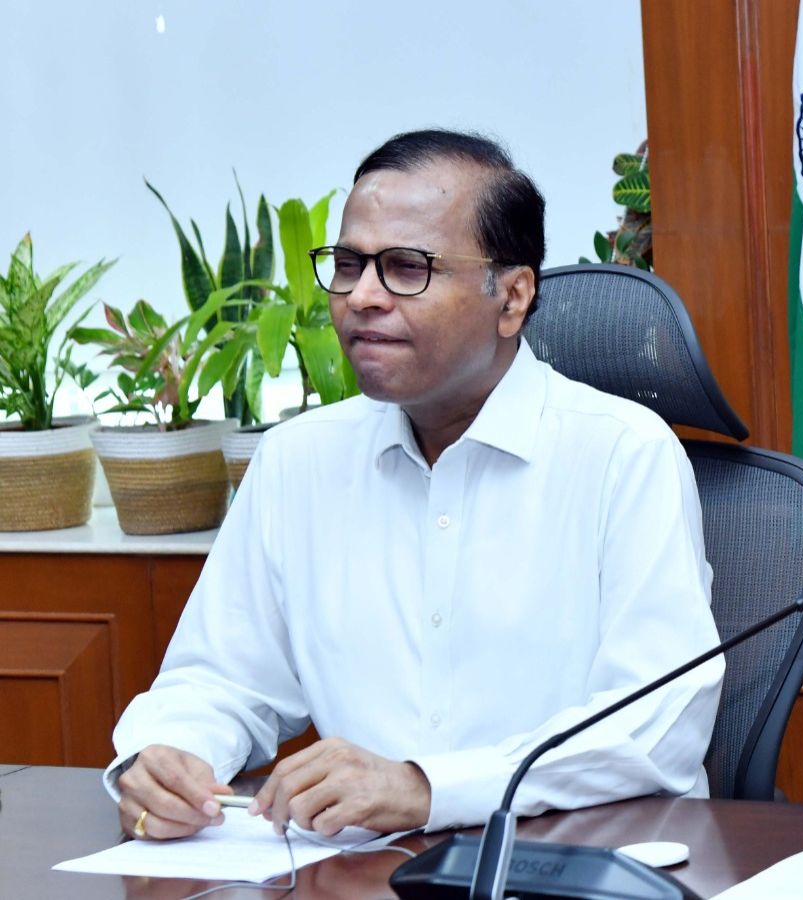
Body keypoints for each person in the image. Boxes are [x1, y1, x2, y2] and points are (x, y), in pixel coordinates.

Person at [106, 129, 723, 840]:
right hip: (362, 868)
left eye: (407, 268)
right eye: (348, 265)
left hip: (574, 859)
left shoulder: (624, 456)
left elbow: (653, 726)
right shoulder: (298, 459)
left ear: (512, 296)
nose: (362, 296)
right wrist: (169, 753)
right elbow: (221, 679)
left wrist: (427, 789)